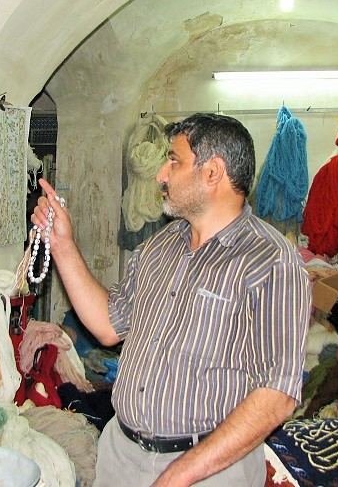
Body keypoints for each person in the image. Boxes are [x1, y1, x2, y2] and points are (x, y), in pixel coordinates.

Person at [31, 113, 311, 487]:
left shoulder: (271, 261)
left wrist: (179, 475)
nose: (162, 174)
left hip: (208, 470)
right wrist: (62, 244)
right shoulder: (161, 244)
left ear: (212, 172)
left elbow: (278, 395)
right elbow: (109, 325)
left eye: (174, 160)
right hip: (121, 454)